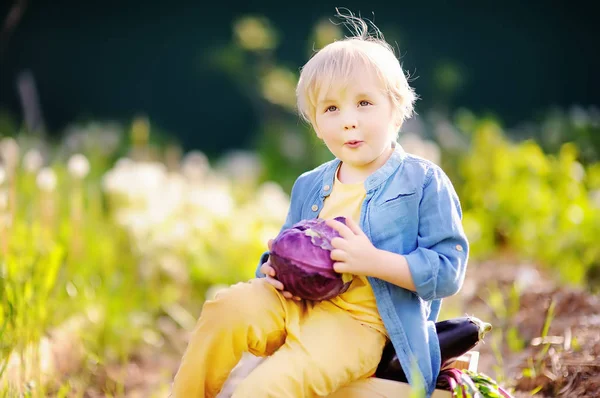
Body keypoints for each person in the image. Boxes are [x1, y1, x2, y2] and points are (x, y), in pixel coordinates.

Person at [171, 9, 469, 398]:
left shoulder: (423, 182)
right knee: (226, 310)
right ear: (315, 122)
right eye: (331, 108)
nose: (348, 120)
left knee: (264, 389)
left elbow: (447, 272)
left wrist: (372, 261)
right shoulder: (310, 184)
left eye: (364, 103)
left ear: (397, 108)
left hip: (361, 326)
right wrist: (273, 270)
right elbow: (283, 248)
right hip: (296, 304)